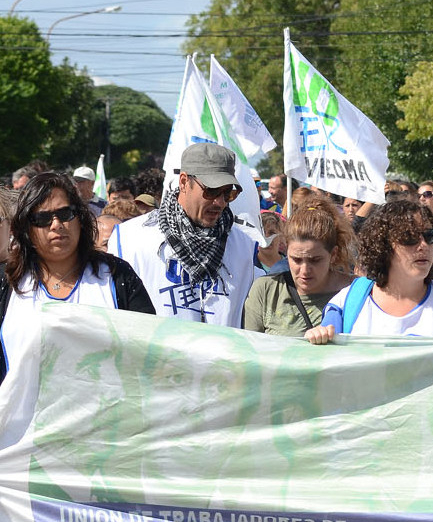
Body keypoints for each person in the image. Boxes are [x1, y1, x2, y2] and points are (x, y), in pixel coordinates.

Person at [0, 172, 154, 384]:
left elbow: (150, 351)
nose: (56, 225)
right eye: (42, 218)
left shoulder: (116, 275)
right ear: (27, 229)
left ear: (80, 218)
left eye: (65, 214)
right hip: (24, 416)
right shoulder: (8, 283)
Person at [305, 200, 433, 354]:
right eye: (409, 238)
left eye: (429, 236)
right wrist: (318, 338)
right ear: (382, 246)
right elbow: (324, 361)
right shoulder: (347, 302)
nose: (423, 246)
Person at [109, 143, 262, 327]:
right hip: (155, 354)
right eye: (211, 190)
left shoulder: (245, 247)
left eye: (228, 193)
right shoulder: (129, 239)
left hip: (222, 355)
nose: (220, 202)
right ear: (183, 182)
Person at [244, 201, 355, 336]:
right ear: (286, 250)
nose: (305, 270)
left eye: (315, 260)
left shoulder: (355, 293)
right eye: (296, 260)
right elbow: (250, 349)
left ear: (333, 254)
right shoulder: (266, 289)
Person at [254, 210, 289, 275]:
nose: (266, 237)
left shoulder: (291, 265)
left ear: (280, 236)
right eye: (263, 233)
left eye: (272, 233)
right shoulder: (249, 266)